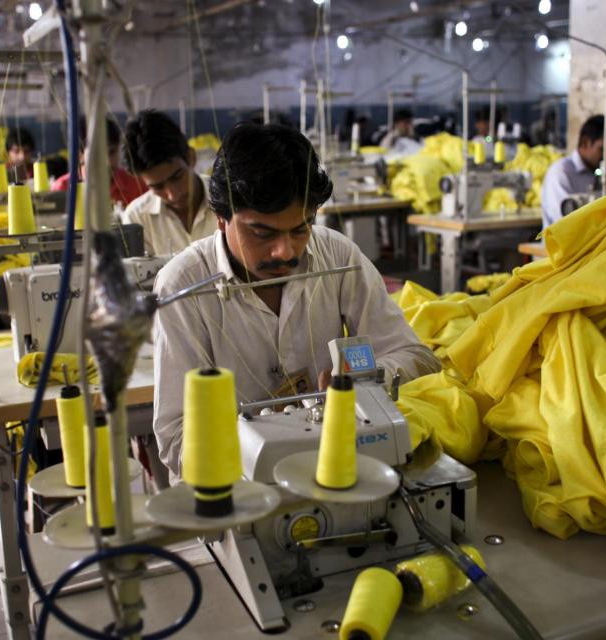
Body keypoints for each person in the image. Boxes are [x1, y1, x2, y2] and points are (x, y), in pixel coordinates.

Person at [152, 122, 441, 478]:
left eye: (300, 228)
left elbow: (417, 358)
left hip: (332, 466)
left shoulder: (337, 255)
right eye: (262, 232)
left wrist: (363, 382)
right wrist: (262, 446)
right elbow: (176, 437)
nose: (285, 251)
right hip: (237, 484)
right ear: (221, 218)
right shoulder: (183, 286)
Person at [121, 109, 217, 256]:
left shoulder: (230, 201)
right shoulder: (137, 219)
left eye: (177, 177)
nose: (173, 195)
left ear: (191, 157)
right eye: (157, 187)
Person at [540, 115, 606, 229]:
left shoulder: (605, 172)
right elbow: (564, 222)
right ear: (585, 142)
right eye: (603, 149)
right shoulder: (560, 173)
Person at [51, 115, 146, 207]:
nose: (107, 162)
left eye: (112, 152)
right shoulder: (63, 188)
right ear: (79, 156)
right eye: (98, 154)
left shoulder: (137, 185)